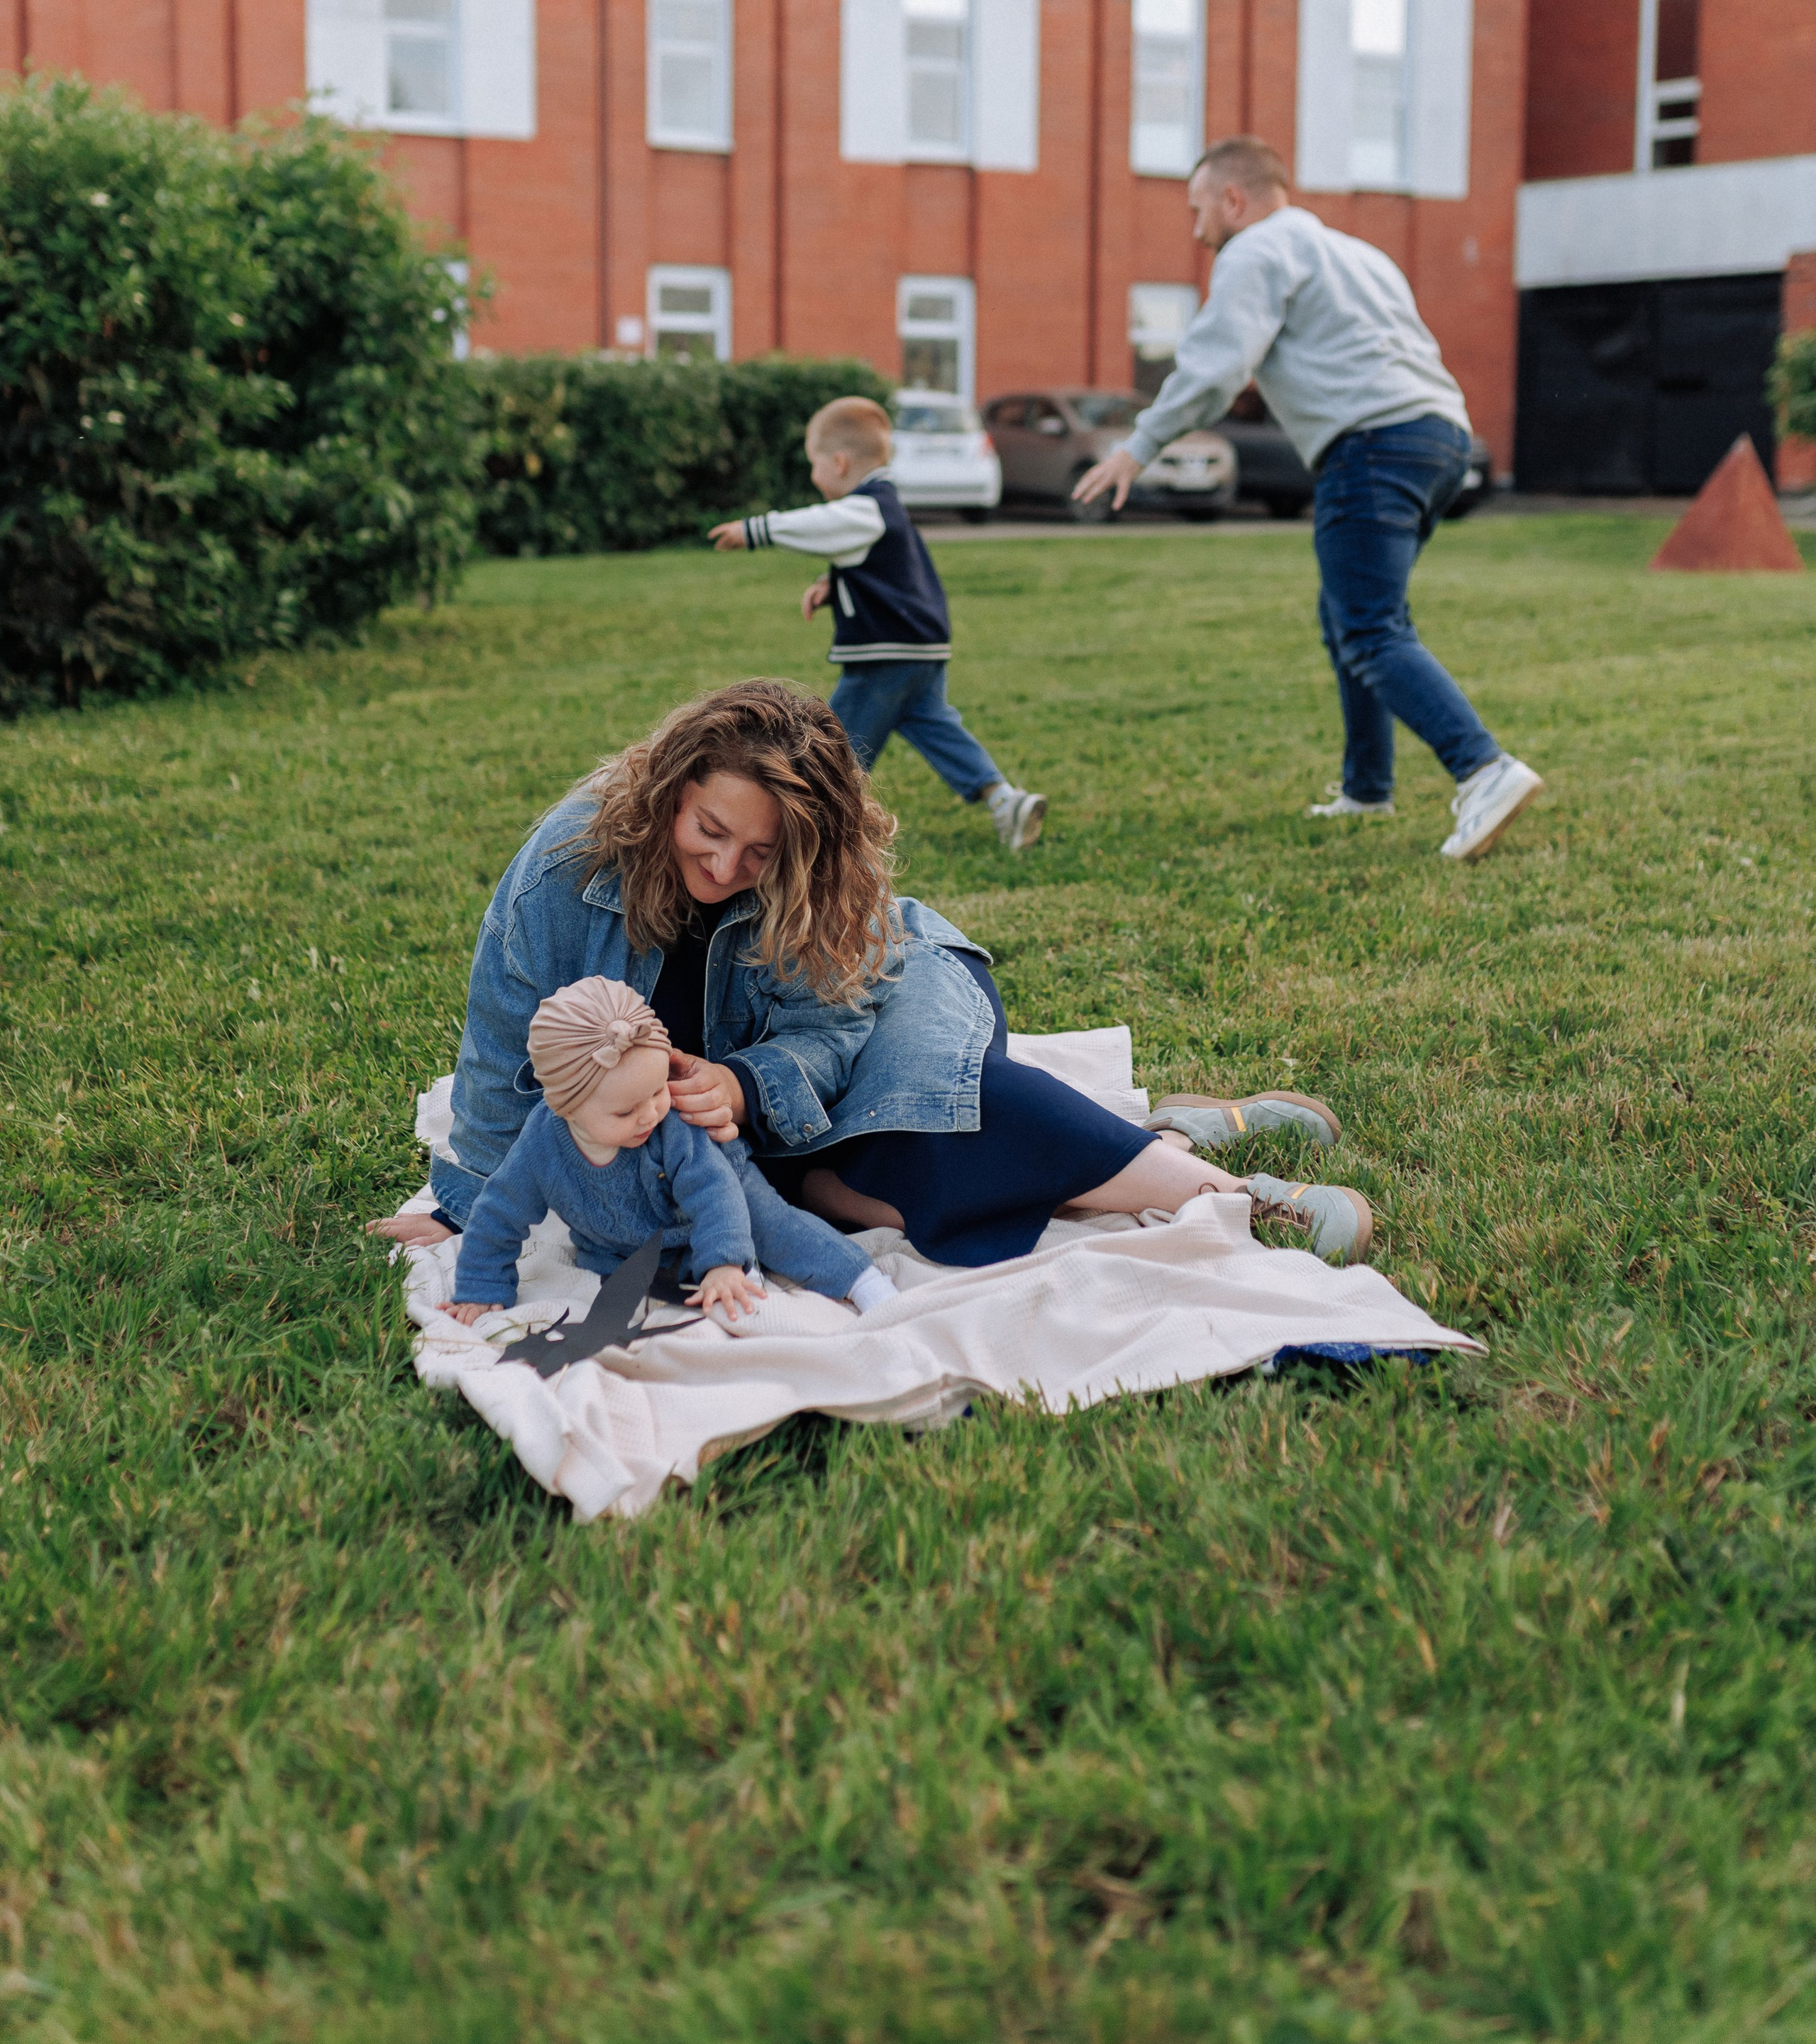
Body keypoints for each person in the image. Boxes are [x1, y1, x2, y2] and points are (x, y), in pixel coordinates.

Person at [366, 681, 1370, 1272]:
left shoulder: (817, 888)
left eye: (757, 855)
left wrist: (746, 1083)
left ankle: (1238, 1194)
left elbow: (834, 1031)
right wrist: (465, 1201)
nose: (723, 869)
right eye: (709, 832)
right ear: (671, 790)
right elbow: (505, 1042)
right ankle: (1166, 1138)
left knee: (939, 1111)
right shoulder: (564, 872)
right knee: (838, 1197)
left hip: (884, 1006)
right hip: (766, 1126)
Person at [1075, 136, 1544, 862]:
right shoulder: (1357, 253)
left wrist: (1139, 444)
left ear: (1234, 200)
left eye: (1198, 209)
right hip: (1440, 440)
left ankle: (1483, 769)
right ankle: (1367, 788)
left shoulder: (1254, 252)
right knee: (1352, 617)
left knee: (1367, 628)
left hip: (1371, 446)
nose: (1196, 228)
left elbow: (1215, 368)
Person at [444, 976, 896, 1327]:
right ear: (566, 1107)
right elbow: (499, 1210)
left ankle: (860, 1280)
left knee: (773, 1227)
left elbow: (713, 1192)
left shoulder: (674, 1123)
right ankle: (705, 1270)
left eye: (659, 1089)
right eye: (626, 1112)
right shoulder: (542, 1145)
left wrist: (723, 1262)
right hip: (627, 1239)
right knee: (634, 1278)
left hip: (723, 1191)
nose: (650, 1114)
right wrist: (481, 1284)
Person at [707, 394, 1047, 856]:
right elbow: (881, 567)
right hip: (922, 650)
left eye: (814, 465)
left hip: (887, 655)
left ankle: (818, 840)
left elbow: (823, 525)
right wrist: (833, 583)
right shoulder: (884, 508)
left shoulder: (866, 507)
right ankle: (1006, 801)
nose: (813, 476)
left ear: (840, 462)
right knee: (937, 728)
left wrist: (754, 531)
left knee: (830, 747)